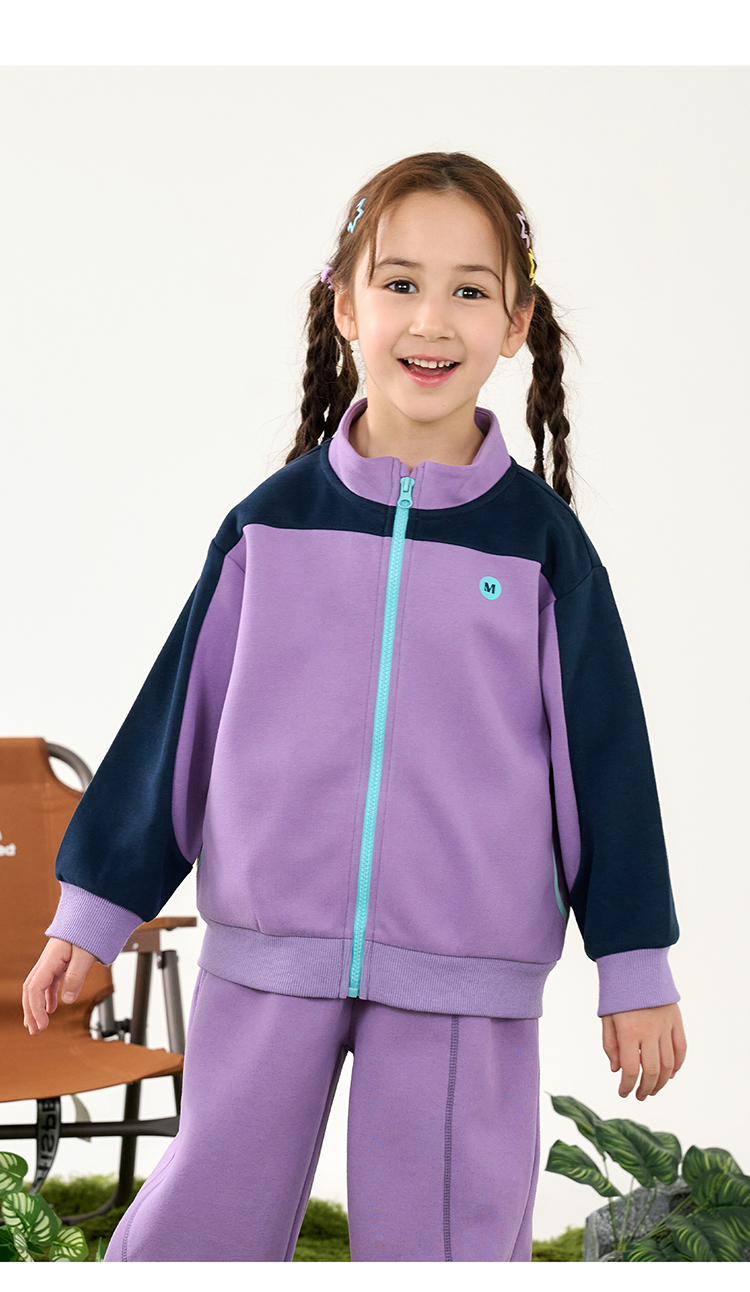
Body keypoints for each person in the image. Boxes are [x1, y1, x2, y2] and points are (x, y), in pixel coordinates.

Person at [22, 151, 687, 1262]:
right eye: (401, 282)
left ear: (516, 323)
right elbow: (178, 727)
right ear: (344, 305)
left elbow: (607, 768)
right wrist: (94, 915)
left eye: (471, 289)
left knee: (445, 1248)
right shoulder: (270, 527)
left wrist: (635, 961)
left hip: (465, 979)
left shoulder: (542, 551)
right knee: (199, 1232)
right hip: (265, 955)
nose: (432, 319)